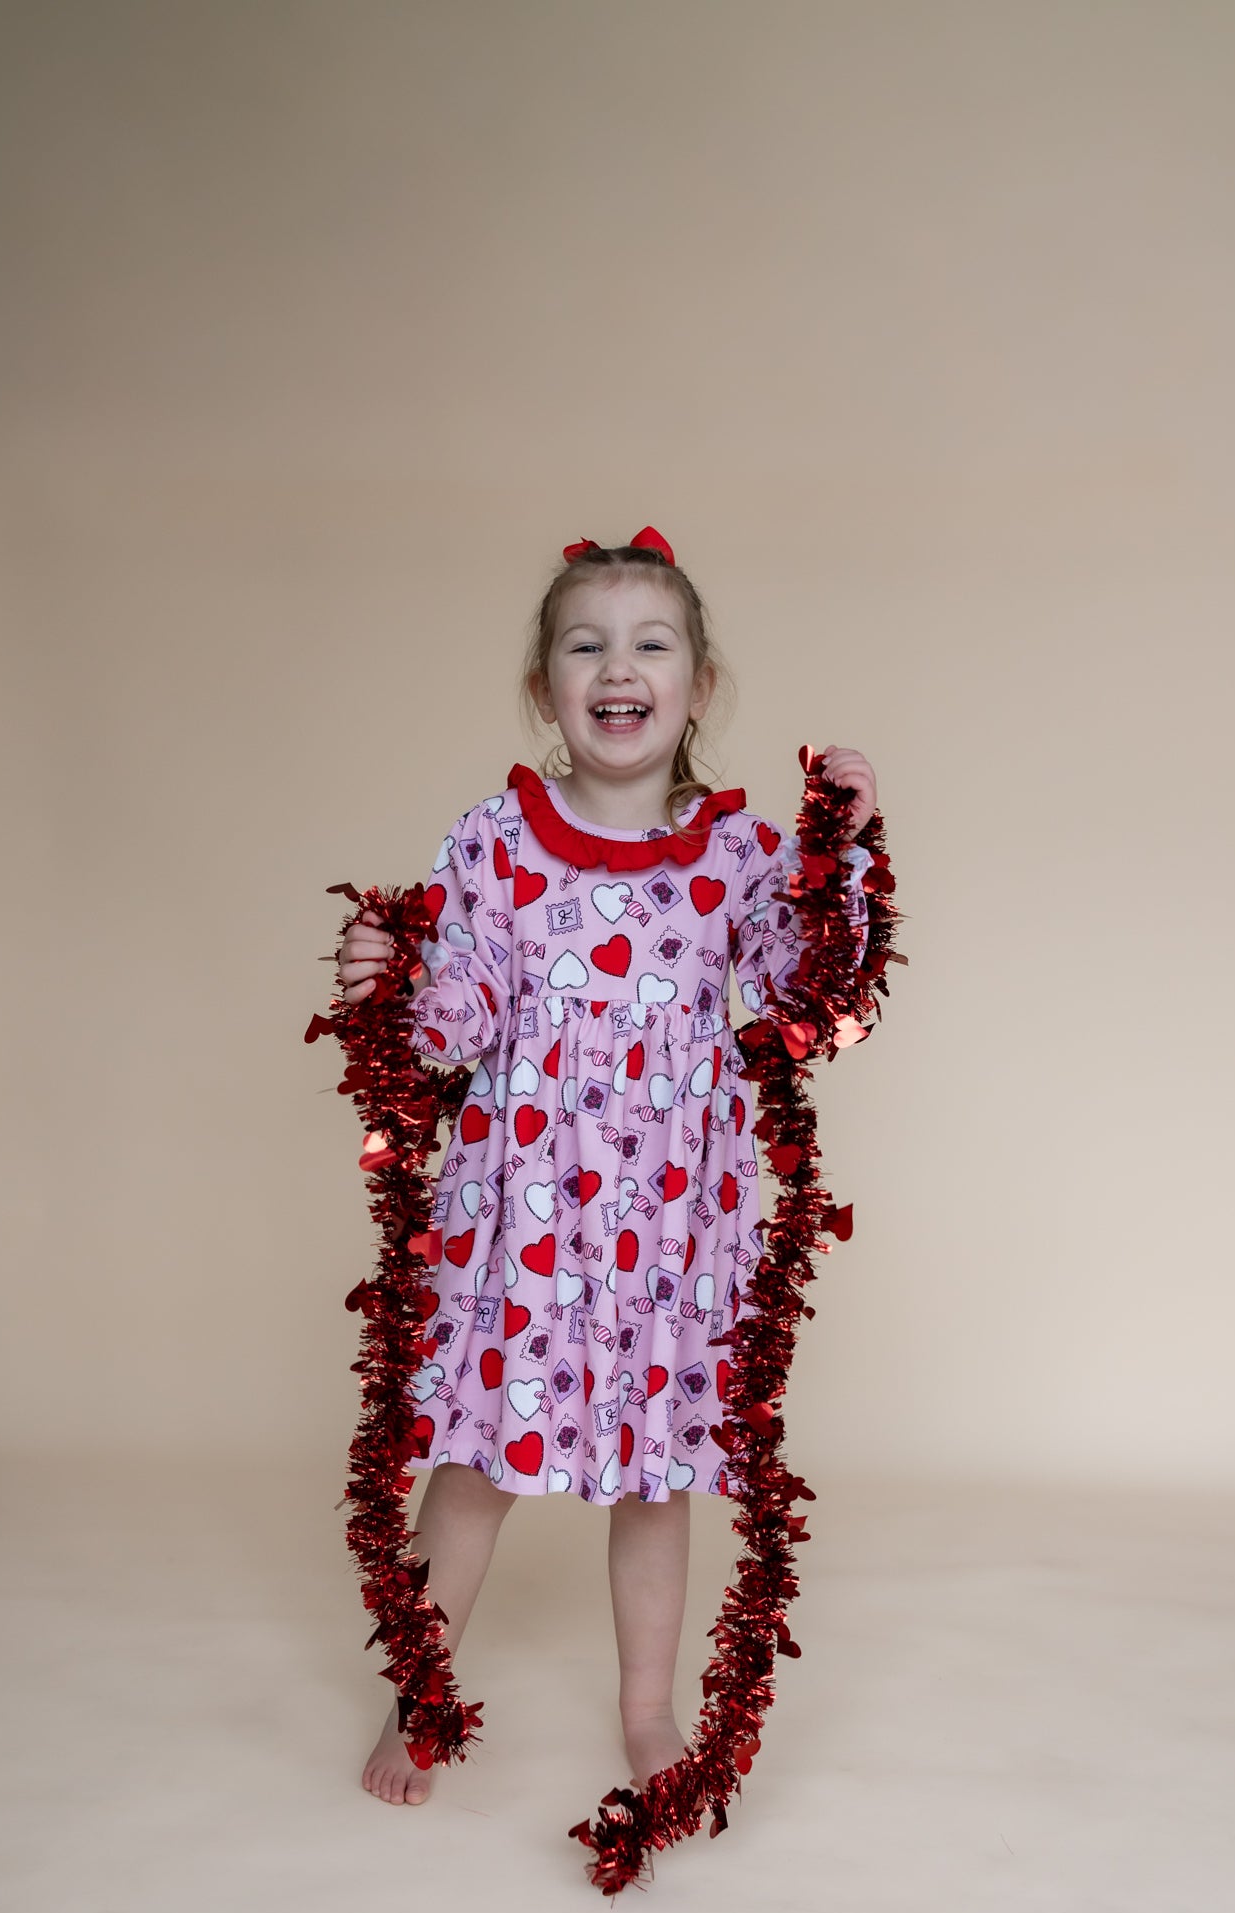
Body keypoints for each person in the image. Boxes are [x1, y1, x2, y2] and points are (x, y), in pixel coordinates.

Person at [336, 526, 880, 1808]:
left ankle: (648, 1706)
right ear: (546, 689)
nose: (619, 667)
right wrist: (386, 990)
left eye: (651, 644)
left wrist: (845, 851)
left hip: (673, 1223)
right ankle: (421, 1689)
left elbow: (813, 997)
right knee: (477, 1464)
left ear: (699, 685)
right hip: (524, 1221)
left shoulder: (737, 853)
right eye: (586, 646)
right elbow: (456, 1017)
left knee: (658, 1476)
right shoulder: (497, 842)